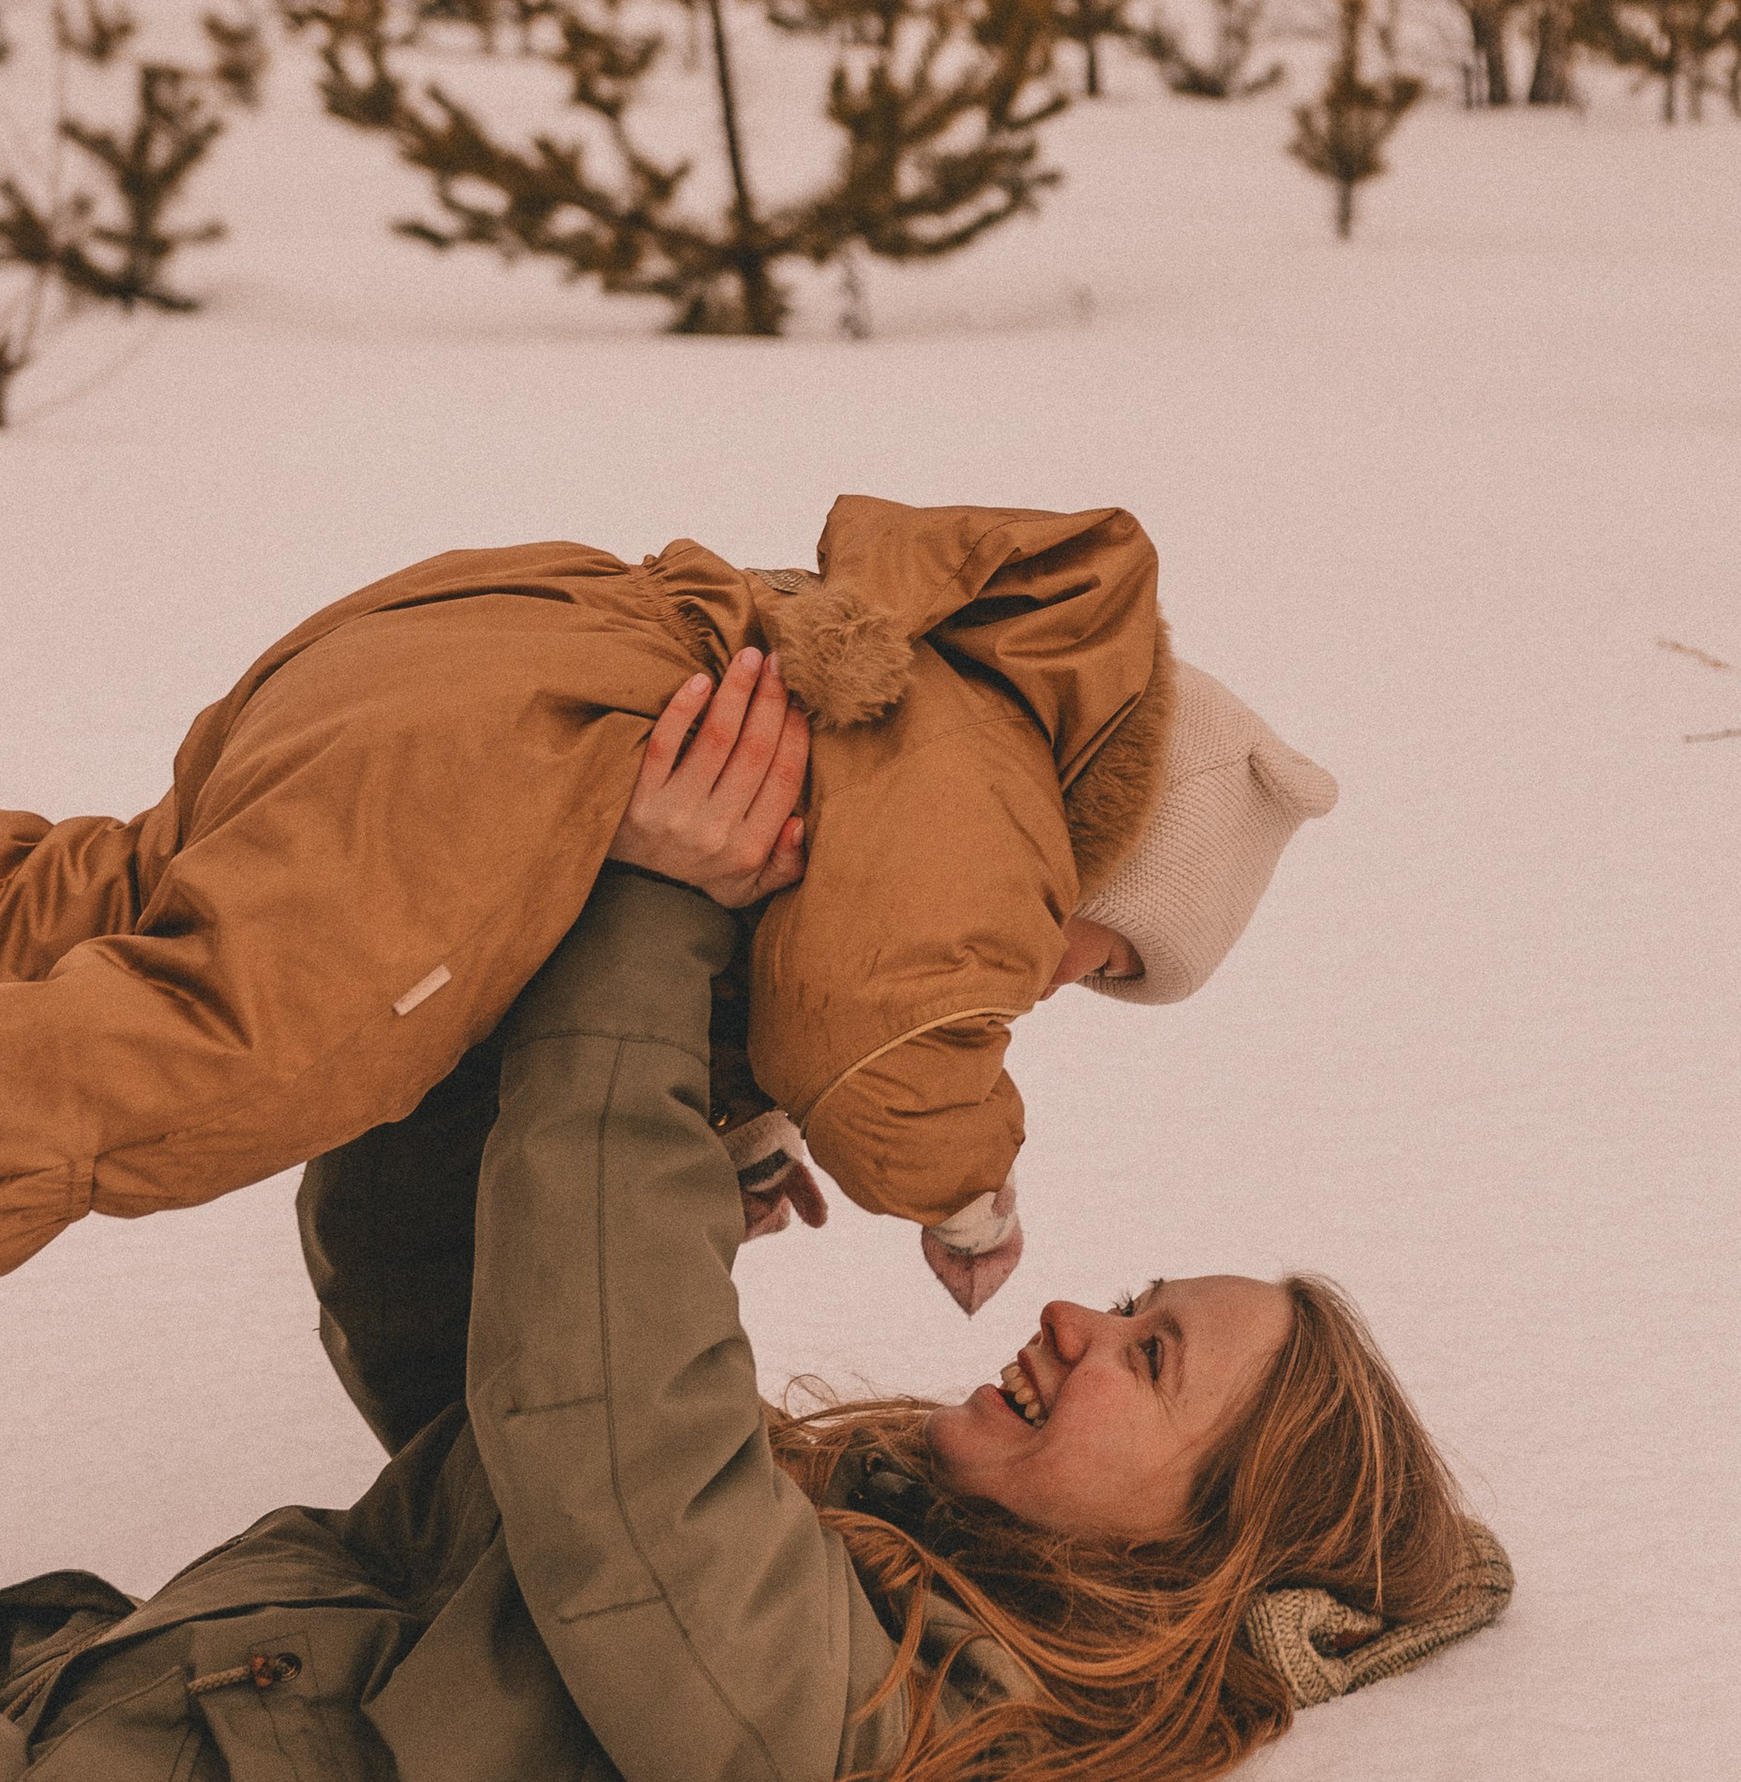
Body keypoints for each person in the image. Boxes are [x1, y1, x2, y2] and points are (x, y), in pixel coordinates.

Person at [0, 844, 1508, 1782]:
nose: (1070, 1317)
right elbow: (453, 1339)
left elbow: (617, 1457)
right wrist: (646, 1125)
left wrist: (661, 914)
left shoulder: (890, 1724)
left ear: (1195, 1556)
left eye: (1150, 1354)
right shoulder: (840, 1535)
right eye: (1128, 1304)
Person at [0, 493, 1339, 1314]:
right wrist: (969, 1194)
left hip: (438, 654)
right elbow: (873, 1030)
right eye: (1104, 964)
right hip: (502, 759)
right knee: (214, 1057)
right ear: (1106, 853)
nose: (1056, 984)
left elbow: (790, 950)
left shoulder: (929, 686)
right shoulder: (996, 802)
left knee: (113, 890)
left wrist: (739, 1120)